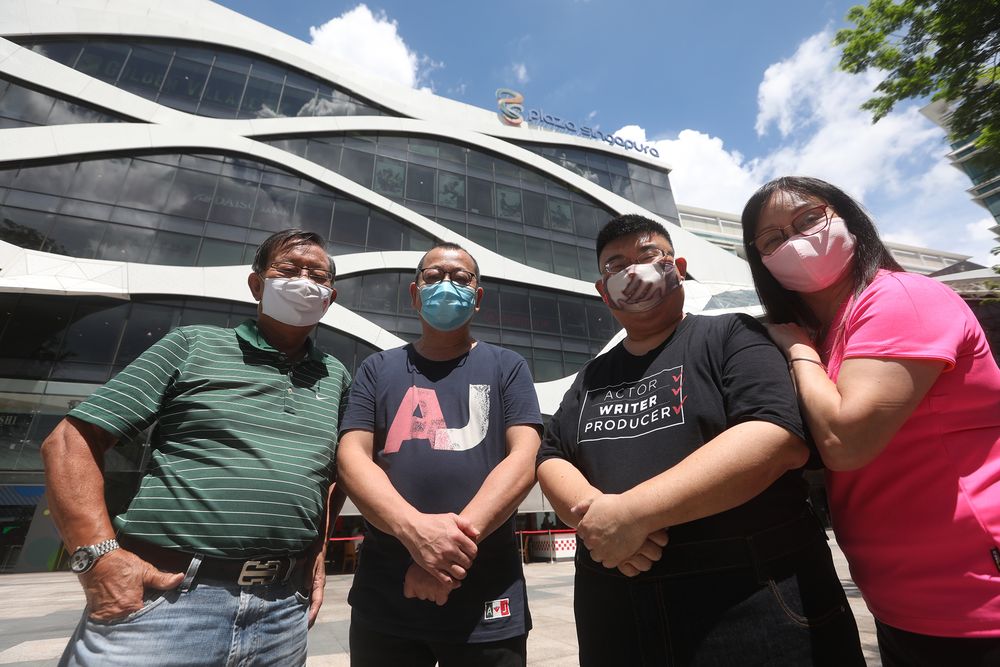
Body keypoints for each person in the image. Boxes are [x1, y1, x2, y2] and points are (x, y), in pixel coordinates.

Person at [536, 214, 864, 666]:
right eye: (616, 265)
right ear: (602, 290)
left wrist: (631, 516)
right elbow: (552, 455)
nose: (633, 270)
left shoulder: (733, 334)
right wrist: (600, 521)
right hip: (617, 602)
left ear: (679, 267)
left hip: (751, 595)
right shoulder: (591, 376)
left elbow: (774, 435)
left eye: (648, 256)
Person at [41, 229, 350, 666]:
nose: (304, 280)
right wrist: (97, 558)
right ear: (257, 284)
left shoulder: (335, 376)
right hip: (165, 600)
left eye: (316, 274)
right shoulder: (192, 345)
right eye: (288, 270)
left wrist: (318, 550)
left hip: (283, 612)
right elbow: (70, 441)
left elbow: (336, 476)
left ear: (329, 298)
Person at [741, 176, 1000, 666]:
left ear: (848, 218)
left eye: (808, 219)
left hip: (976, 597)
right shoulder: (826, 333)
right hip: (901, 603)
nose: (794, 241)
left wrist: (796, 349)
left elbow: (846, 440)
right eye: (772, 239)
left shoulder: (902, 297)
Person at [337, 242, 542, 666]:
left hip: (487, 596)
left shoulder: (508, 366)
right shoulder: (377, 369)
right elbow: (352, 458)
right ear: (415, 294)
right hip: (386, 595)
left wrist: (441, 557)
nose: (446, 285)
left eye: (461, 278)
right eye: (432, 277)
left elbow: (525, 458)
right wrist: (416, 534)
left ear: (477, 296)